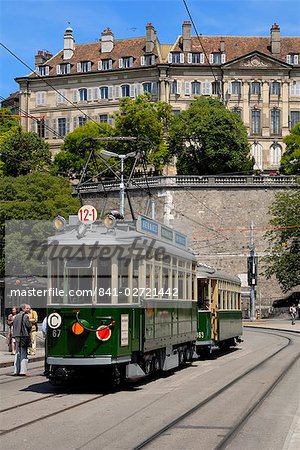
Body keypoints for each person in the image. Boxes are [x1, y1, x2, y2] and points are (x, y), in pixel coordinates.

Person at [12, 304, 32, 376]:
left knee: (17, 353)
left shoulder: (16, 316)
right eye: (28, 308)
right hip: (23, 336)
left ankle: (16, 370)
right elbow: (29, 326)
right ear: (23, 309)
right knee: (24, 353)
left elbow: (14, 326)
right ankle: (22, 371)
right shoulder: (26, 316)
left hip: (17, 335)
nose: (29, 309)